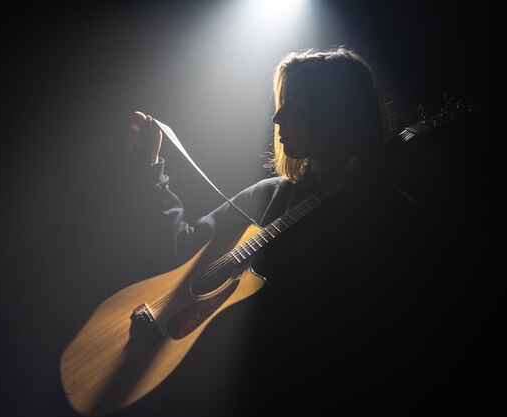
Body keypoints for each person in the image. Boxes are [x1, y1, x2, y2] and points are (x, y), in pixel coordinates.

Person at [120, 47, 487, 415]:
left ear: (335, 113)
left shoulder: (395, 216)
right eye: (280, 103)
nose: (278, 117)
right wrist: (152, 164)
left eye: (293, 106)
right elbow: (182, 248)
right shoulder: (268, 195)